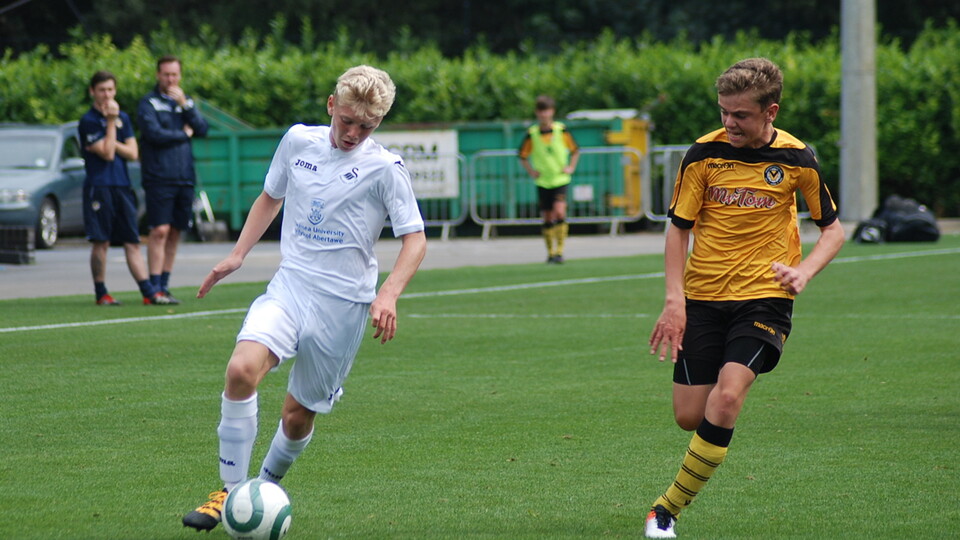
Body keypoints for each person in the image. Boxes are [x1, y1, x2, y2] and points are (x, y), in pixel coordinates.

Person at [181, 65, 427, 532]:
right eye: (347, 120)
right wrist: (237, 254)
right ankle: (230, 494)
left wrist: (389, 294)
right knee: (241, 370)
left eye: (367, 126)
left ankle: (264, 487)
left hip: (344, 305)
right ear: (331, 105)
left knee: (297, 417)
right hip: (291, 285)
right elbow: (270, 197)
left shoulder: (386, 169)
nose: (353, 133)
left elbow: (414, 239)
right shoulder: (297, 141)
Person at [644, 58, 845, 539]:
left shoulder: (797, 159)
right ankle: (713, 431)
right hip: (703, 297)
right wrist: (674, 300)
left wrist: (804, 272)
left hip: (764, 299)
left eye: (740, 115)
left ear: (770, 111)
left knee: (728, 396)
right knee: (689, 416)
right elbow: (678, 231)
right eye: (723, 112)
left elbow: (833, 231)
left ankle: (664, 511)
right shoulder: (702, 155)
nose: (729, 123)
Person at [79, 70, 172, 306]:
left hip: (122, 186)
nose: (107, 95)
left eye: (110, 90)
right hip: (99, 186)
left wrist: (112, 137)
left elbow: (132, 152)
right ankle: (101, 292)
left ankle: (148, 292)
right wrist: (111, 123)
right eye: (102, 90)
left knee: (132, 241)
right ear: (92, 92)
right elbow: (108, 154)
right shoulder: (88, 121)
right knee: (101, 241)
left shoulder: (124, 118)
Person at [137, 54, 209, 304]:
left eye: (174, 75)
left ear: (180, 76)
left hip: (184, 177)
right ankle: (153, 288)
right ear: (158, 75)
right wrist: (182, 135)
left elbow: (202, 129)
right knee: (160, 230)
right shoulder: (148, 103)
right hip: (159, 177)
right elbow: (154, 134)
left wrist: (186, 106)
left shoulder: (185, 102)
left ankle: (164, 286)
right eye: (166, 74)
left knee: (176, 231)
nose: (170, 79)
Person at [518, 94, 580, 264]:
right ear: (537, 113)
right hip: (543, 180)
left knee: (559, 211)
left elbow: (575, 150)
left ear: (552, 112)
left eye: (546, 111)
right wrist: (531, 171)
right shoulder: (532, 133)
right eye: (541, 111)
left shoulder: (561, 130)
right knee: (547, 216)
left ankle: (560, 251)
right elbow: (522, 155)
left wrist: (571, 167)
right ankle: (550, 252)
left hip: (560, 179)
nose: (544, 115)